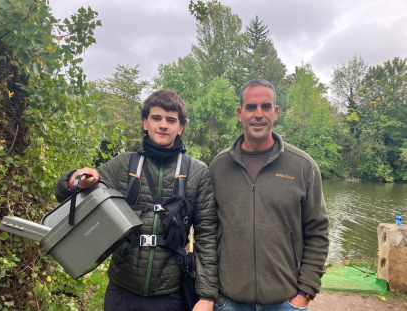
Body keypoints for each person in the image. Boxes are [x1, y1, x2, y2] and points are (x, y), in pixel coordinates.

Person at [55, 89, 218, 311]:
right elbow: (66, 195)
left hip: (170, 294)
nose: (163, 125)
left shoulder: (198, 172)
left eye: (171, 120)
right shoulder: (123, 164)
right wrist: (74, 179)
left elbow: (207, 235)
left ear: (180, 128)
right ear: (145, 123)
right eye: (156, 118)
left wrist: (206, 296)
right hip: (122, 290)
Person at [210, 79, 329, 310]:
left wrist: (305, 292)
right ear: (239, 113)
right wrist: (211, 292)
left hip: (285, 302)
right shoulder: (219, 166)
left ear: (275, 113)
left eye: (266, 107)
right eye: (251, 107)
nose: (258, 114)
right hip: (228, 302)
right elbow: (208, 231)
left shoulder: (303, 166)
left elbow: (318, 232)